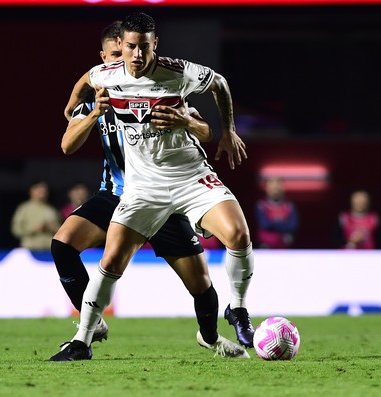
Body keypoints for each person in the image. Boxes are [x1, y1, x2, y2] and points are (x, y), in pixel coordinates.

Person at [50, 13, 254, 361]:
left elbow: (212, 104)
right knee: (97, 255)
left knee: (214, 266)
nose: (132, 56)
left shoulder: (176, 76)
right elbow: (78, 105)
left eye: (140, 48)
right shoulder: (104, 86)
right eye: (125, 50)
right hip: (136, 191)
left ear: (153, 45)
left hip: (187, 179)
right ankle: (84, 338)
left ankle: (223, 323)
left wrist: (214, 127)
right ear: (110, 56)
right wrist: (78, 109)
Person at [11, 181, 61, 251]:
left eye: (44, 189)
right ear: (31, 191)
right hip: (29, 250)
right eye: (38, 189)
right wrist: (34, 229)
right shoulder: (24, 208)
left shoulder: (52, 210)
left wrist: (51, 228)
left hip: (49, 251)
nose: (41, 191)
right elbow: (16, 230)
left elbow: (61, 232)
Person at [255, 177, 299, 248]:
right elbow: (265, 224)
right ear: (267, 188)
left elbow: (292, 225)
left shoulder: (289, 206)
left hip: (285, 248)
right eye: (272, 187)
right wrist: (283, 224)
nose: (275, 190)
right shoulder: (261, 205)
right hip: (265, 248)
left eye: (277, 187)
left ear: (282, 188)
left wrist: (273, 224)